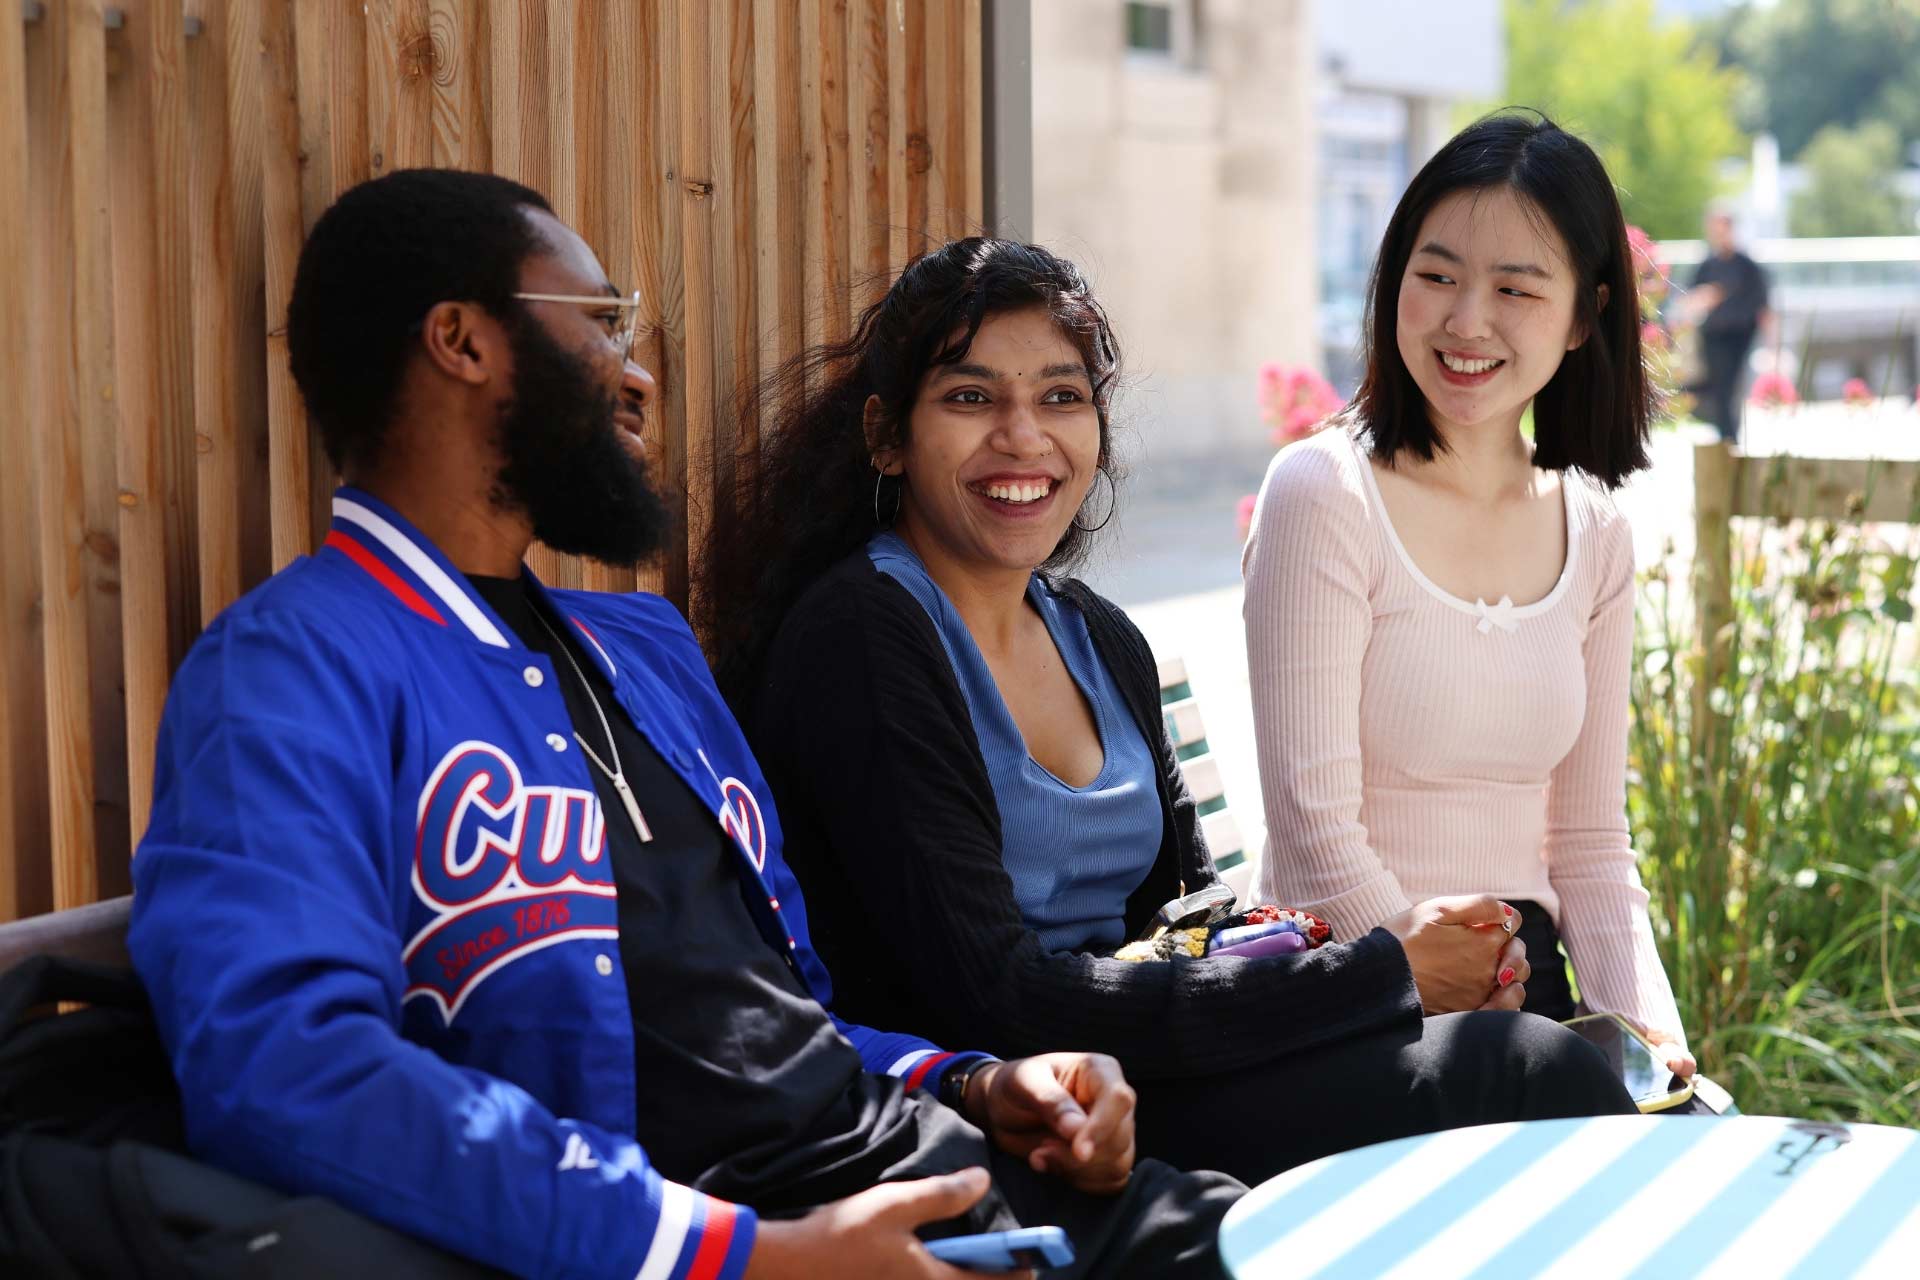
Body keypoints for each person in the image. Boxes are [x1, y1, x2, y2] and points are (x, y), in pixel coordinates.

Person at [126, 169, 1247, 1280]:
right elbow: (283, 1067)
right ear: (462, 341)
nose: (640, 374)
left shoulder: (643, 650)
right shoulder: (291, 663)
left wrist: (978, 1081)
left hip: (926, 1175)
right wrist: (742, 1255)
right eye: (603, 323)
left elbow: (780, 1023)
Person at [697, 236, 1638, 1190]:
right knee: (1520, 1072)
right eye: (970, 398)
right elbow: (992, 998)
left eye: (1061, 397)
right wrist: (1380, 979)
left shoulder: (1099, 640)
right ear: (885, 436)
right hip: (1013, 1113)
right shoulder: (864, 634)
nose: (1024, 437)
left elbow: (1188, 925)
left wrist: (1403, 965)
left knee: (1520, 1042)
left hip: (1156, 1072)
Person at [1242, 113, 1696, 1085]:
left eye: (1515, 289)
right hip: (1346, 986)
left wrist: (1649, 1032)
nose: (1465, 321)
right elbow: (1314, 828)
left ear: (1582, 316)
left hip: (1520, 997)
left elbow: (1588, 841)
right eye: (1437, 275)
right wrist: (1437, 970)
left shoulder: (1596, 526)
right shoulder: (1324, 494)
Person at [1684, 206, 1772, 443]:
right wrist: (1705, 297)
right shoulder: (1706, 266)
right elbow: (1688, 301)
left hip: (1740, 337)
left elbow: (1764, 308)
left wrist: (1771, 349)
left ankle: (1730, 438)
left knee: (1731, 388)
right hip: (1712, 337)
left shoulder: (1747, 266)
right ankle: (1726, 437)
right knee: (1716, 389)